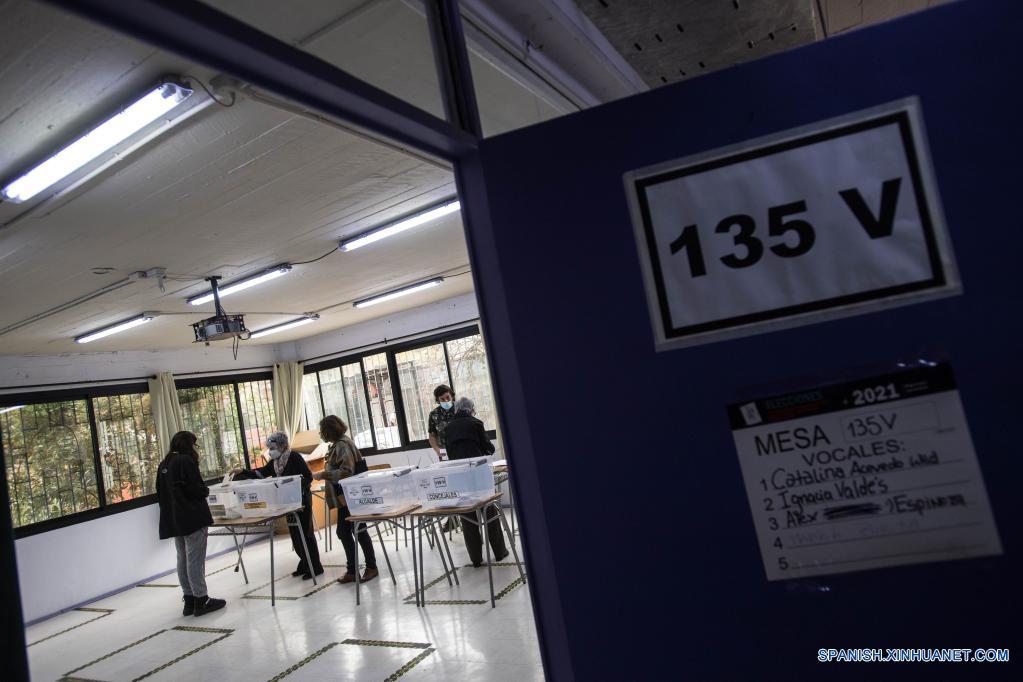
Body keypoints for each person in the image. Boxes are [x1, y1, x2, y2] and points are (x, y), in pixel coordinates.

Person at [233, 431, 323, 579]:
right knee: (295, 535)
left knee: (305, 534)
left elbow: (307, 477)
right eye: (269, 448)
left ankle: (315, 566)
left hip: (301, 500)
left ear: (282, 446)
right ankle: (304, 562)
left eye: (272, 448)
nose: (270, 451)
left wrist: (295, 487)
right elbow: (261, 473)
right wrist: (243, 471)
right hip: (287, 502)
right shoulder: (276, 462)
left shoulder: (294, 457)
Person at [156, 431, 226, 617]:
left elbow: (161, 493)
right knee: (195, 559)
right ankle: (201, 599)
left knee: (183, 558)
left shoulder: (164, 463)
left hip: (174, 519)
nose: (195, 449)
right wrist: (205, 490)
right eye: (194, 445)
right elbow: (195, 488)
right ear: (188, 445)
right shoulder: (185, 461)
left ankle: (189, 599)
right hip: (192, 517)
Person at [312, 415, 378, 584]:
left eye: (322, 430)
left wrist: (323, 474)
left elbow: (347, 472)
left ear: (329, 430)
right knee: (351, 530)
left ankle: (366, 567)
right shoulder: (340, 444)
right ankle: (355, 569)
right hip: (346, 496)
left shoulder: (342, 445)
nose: (320, 433)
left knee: (354, 530)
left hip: (348, 497)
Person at [444, 397, 509, 567]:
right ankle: (500, 552)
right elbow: (488, 448)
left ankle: (475, 559)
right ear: (470, 408)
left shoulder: (448, 428)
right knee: (489, 511)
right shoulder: (476, 423)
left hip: (459, 476)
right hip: (479, 475)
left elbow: (450, 454)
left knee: (467, 515)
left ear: (456, 409)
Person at [427, 384, 456, 461]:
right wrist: (437, 450)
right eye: (442, 399)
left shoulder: (460, 409)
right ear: (438, 400)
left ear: (452, 396)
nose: (446, 401)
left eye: (448, 397)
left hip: (462, 449)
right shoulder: (434, 414)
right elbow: (432, 436)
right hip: (444, 452)